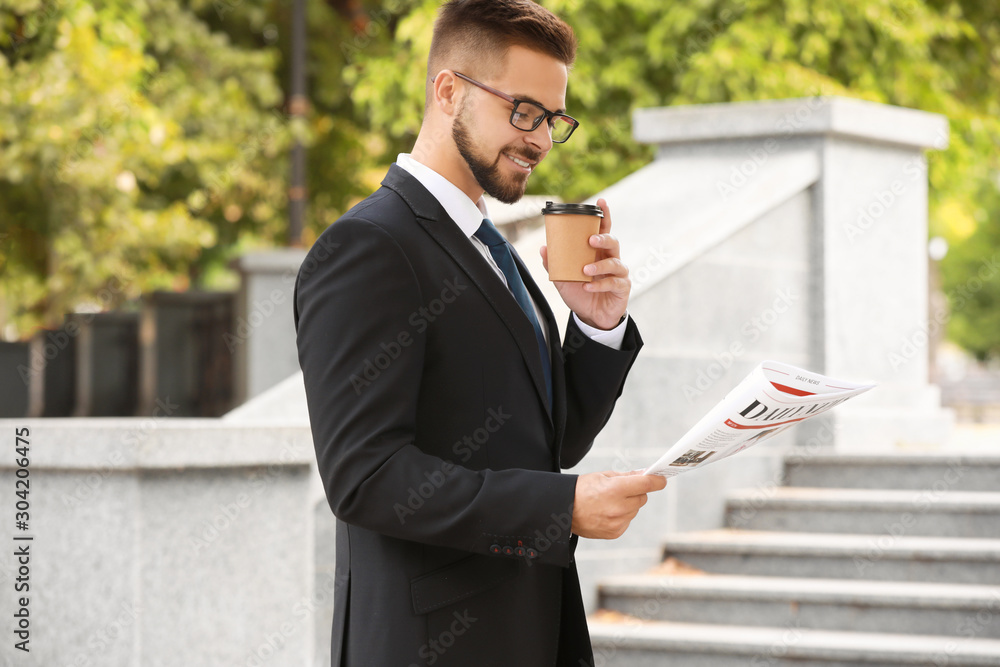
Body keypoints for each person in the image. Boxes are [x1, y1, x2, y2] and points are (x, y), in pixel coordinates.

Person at [294, 1, 666, 665]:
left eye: (554, 119)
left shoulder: (495, 250)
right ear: (448, 91)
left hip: (526, 630)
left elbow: (550, 440)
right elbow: (365, 475)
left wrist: (597, 323)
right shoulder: (368, 245)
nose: (542, 139)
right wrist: (563, 507)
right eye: (524, 111)